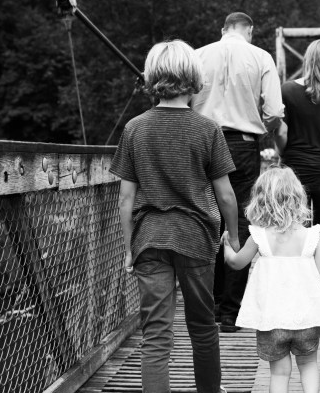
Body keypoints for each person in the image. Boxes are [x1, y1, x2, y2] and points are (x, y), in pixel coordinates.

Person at [110, 40, 238, 393]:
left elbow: (125, 198)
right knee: (203, 326)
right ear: (193, 77)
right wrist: (234, 236)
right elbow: (226, 195)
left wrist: (128, 249)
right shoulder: (208, 129)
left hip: (149, 239)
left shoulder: (135, 128)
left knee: (155, 334)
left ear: (152, 77)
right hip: (196, 239)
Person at [192, 12, 284, 332]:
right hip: (243, 145)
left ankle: (212, 305)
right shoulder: (261, 57)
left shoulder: (196, 56)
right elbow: (274, 111)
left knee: (207, 219)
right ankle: (232, 312)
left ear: (223, 29)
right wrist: (263, 128)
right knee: (241, 222)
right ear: (250, 30)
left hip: (202, 142)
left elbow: (183, 100)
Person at [223, 166, 320, 393]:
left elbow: (236, 263)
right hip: (307, 319)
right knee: (309, 365)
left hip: (272, 320)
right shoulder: (313, 237)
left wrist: (226, 245)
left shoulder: (259, 237)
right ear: (298, 198)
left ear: (260, 202)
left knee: (279, 373)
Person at [274, 39, 320, 300]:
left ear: (306, 59)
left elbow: (281, 131)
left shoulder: (287, 90)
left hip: (296, 172)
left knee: (298, 230)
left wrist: (282, 154)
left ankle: (302, 289)